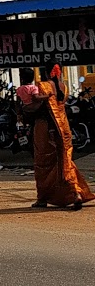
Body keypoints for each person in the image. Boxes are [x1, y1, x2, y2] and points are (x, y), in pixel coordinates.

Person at [21, 63, 94, 210]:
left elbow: (39, 108)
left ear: (45, 72)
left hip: (45, 128)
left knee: (43, 163)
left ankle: (42, 198)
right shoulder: (63, 87)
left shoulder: (42, 86)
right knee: (65, 161)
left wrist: (24, 109)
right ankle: (75, 193)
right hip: (64, 128)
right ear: (59, 72)